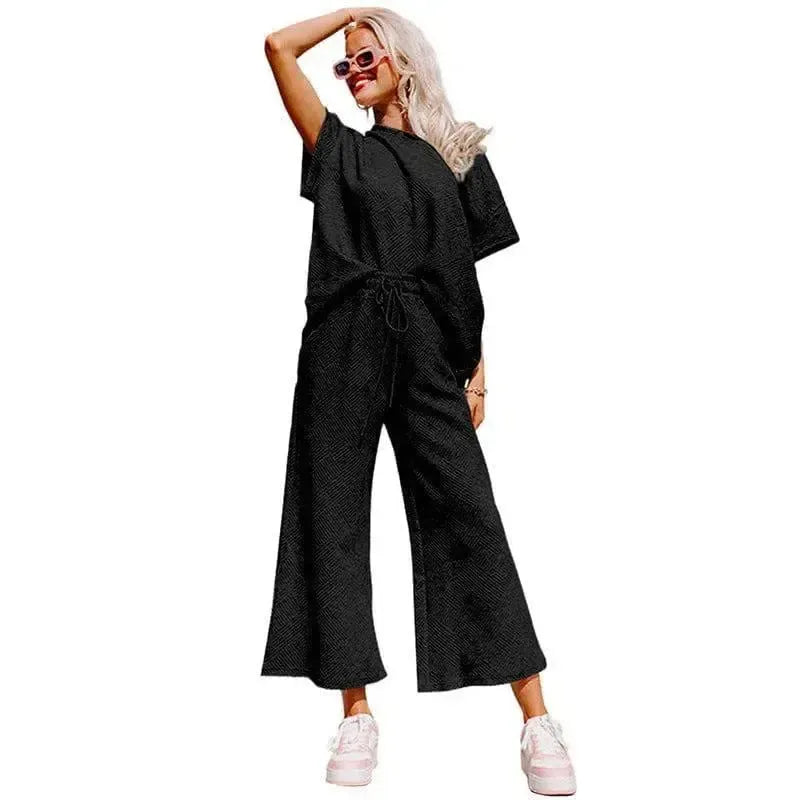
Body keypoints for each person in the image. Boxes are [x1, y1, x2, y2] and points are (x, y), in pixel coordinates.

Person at [261, 8, 576, 795]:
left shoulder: (460, 152)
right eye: (345, 64)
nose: (352, 71)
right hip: (342, 342)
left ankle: (537, 719)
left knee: (469, 513)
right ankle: (355, 714)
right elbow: (276, 47)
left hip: (434, 347)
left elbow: (465, 272)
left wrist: (477, 371)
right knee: (331, 514)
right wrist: (351, 15)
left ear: (403, 61)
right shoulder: (339, 148)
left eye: (366, 57)